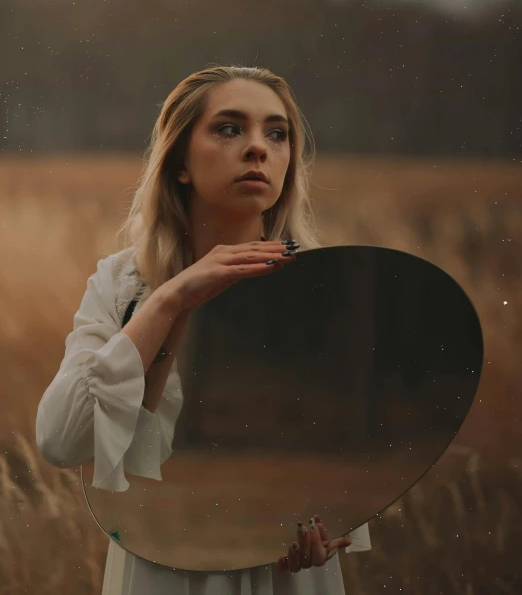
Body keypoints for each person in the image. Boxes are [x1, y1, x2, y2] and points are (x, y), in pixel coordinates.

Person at [36, 66, 371, 594]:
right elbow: (60, 439)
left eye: (277, 133)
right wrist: (171, 299)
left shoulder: (323, 289)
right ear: (181, 163)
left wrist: (331, 531)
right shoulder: (124, 285)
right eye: (230, 128)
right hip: (157, 566)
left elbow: (354, 459)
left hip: (283, 573)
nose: (258, 147)